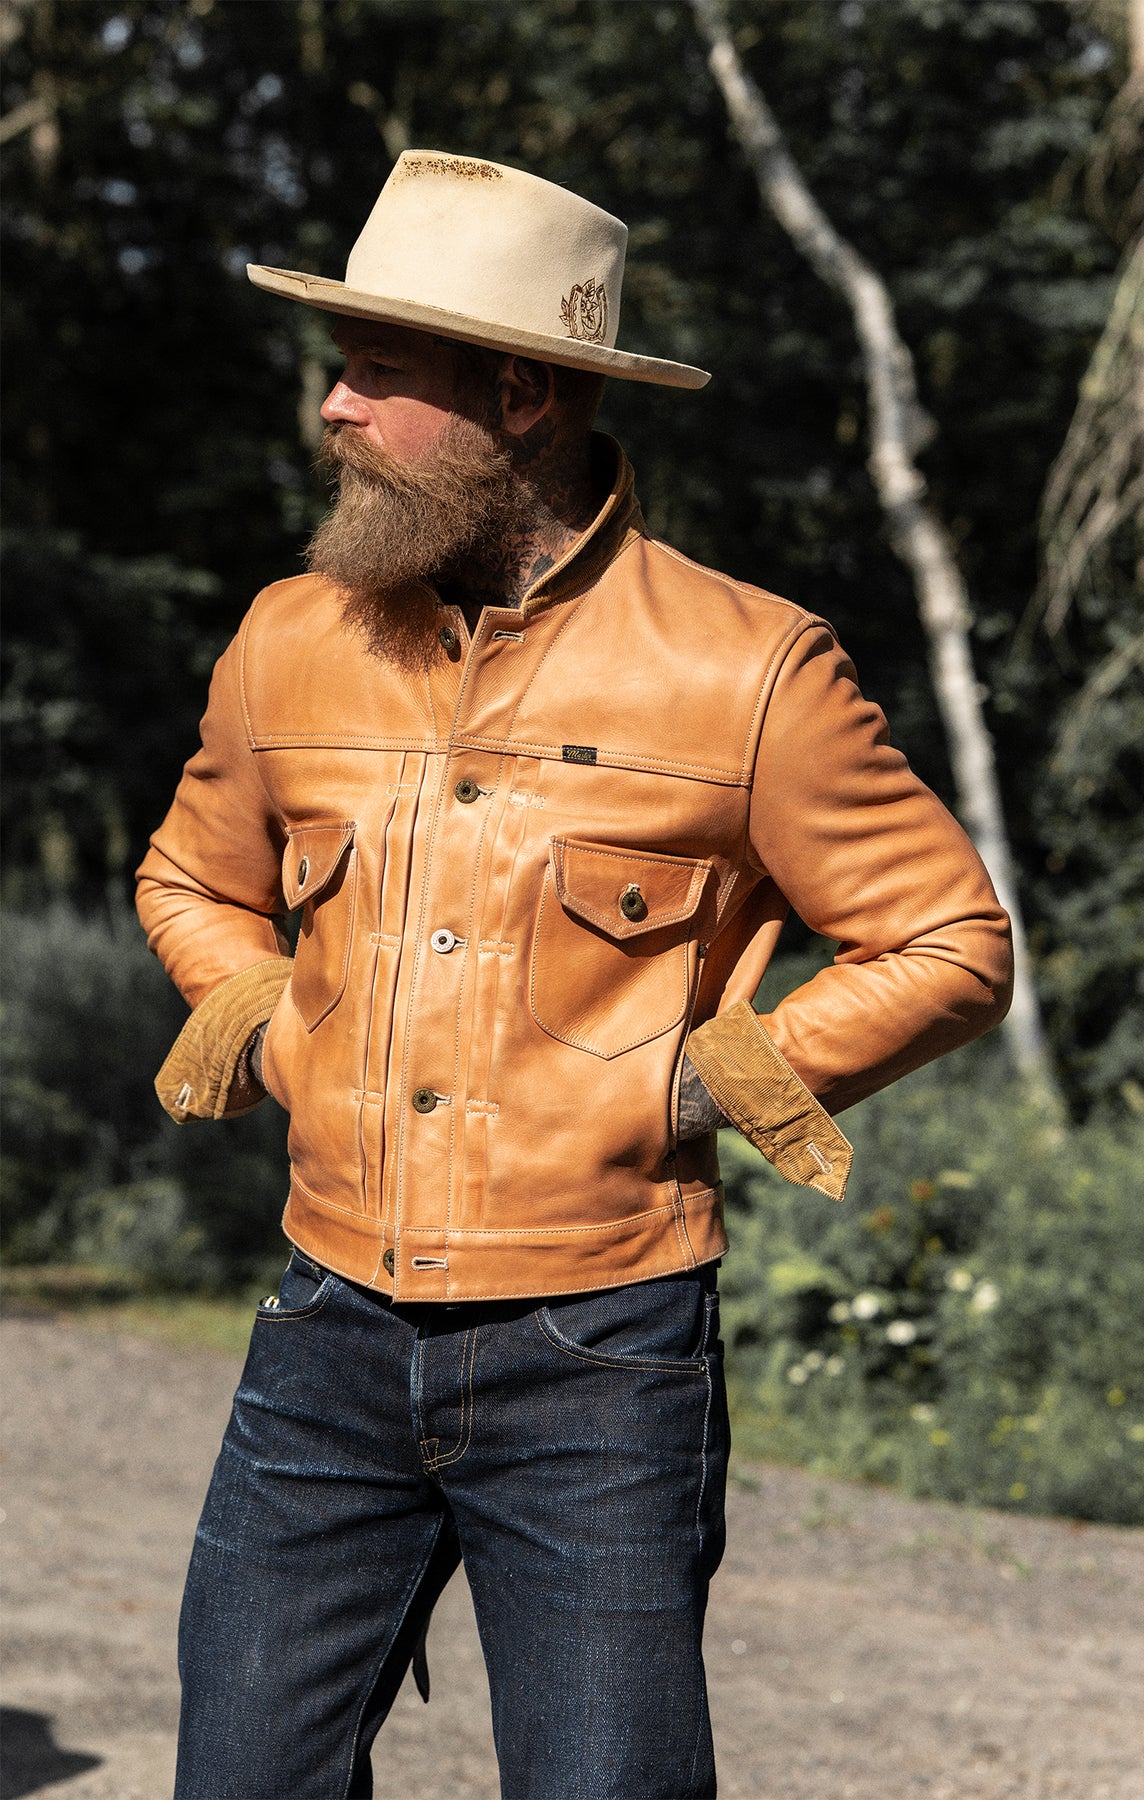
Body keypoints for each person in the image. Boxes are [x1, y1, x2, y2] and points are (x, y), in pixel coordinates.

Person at [137, 149, 1013, 1800]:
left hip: (602, 1352)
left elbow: (952, 939)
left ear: (523, 393)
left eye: (377, 370)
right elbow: (191, 877)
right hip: (324, 1326)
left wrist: (702, 1083)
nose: (333, 407)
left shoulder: (750, 668)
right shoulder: (286, 638)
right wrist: (268, 1027)